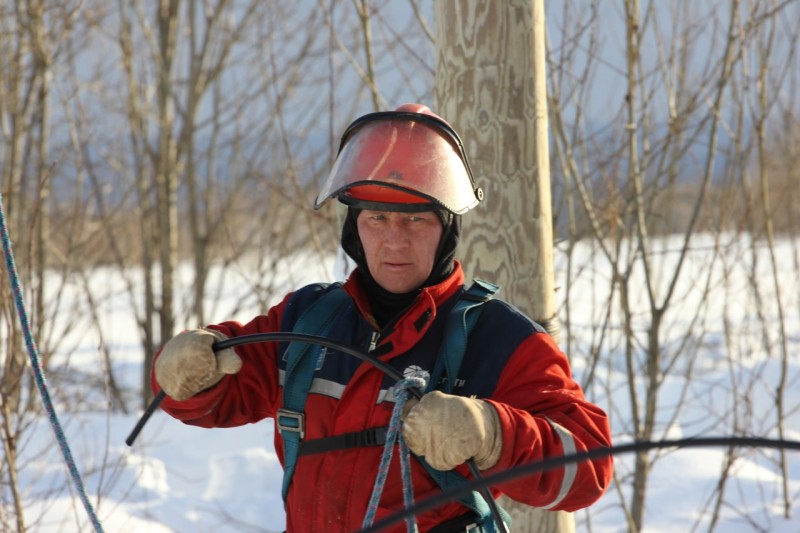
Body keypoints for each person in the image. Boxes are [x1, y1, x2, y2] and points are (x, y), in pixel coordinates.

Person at [152, 103, 613, 532]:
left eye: (415, 220)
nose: (395, 240)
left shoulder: (498, 340)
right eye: (377, 218)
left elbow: (590, 470)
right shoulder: (307, 319)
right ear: (354, 229)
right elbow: (218, 395)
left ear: (447, 228)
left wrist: (493, 433)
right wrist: (188, 371)